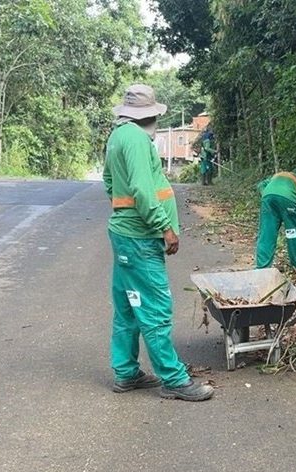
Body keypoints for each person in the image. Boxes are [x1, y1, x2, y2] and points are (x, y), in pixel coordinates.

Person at [103, 83, 214, 401]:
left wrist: (124, 211)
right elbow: (140, 188)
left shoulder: (117, 136)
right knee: (155, 308)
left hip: (125, 234)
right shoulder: (137, 139)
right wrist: (164, 227)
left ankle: (126, 373)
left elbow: (109, 183)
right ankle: (174, 379)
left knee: (127, 306)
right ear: (149, 115)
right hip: (139, 238)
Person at [255, 169, 296, 269]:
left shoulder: (281, 175)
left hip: (268, 198)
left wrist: (268, 196)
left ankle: (262, 267)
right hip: (289, 200)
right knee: (292, 233)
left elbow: (261, 185)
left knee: (267, 233)